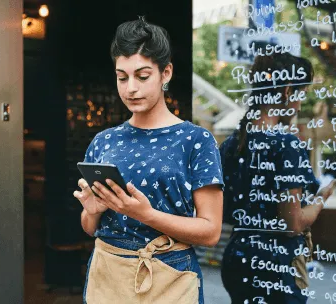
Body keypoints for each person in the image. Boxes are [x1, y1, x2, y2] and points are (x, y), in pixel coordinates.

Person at [73, 16, 224, 304]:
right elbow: (90, 227)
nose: (131, 88)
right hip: (109, 273)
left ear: (165, 73)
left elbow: (211, 231)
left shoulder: (196, 140)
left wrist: (146, 214)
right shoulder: (104, 141)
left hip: (170, 276)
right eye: (122, 77)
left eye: (142, 76)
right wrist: (92, 211)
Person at [219, 53, 336, 303]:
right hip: (277, 265)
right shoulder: (286, 145)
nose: (299, 104)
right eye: (301, 93)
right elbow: (292, 224)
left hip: (237, 257)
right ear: (286, 91)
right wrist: (321, 198)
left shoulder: (231, 144)